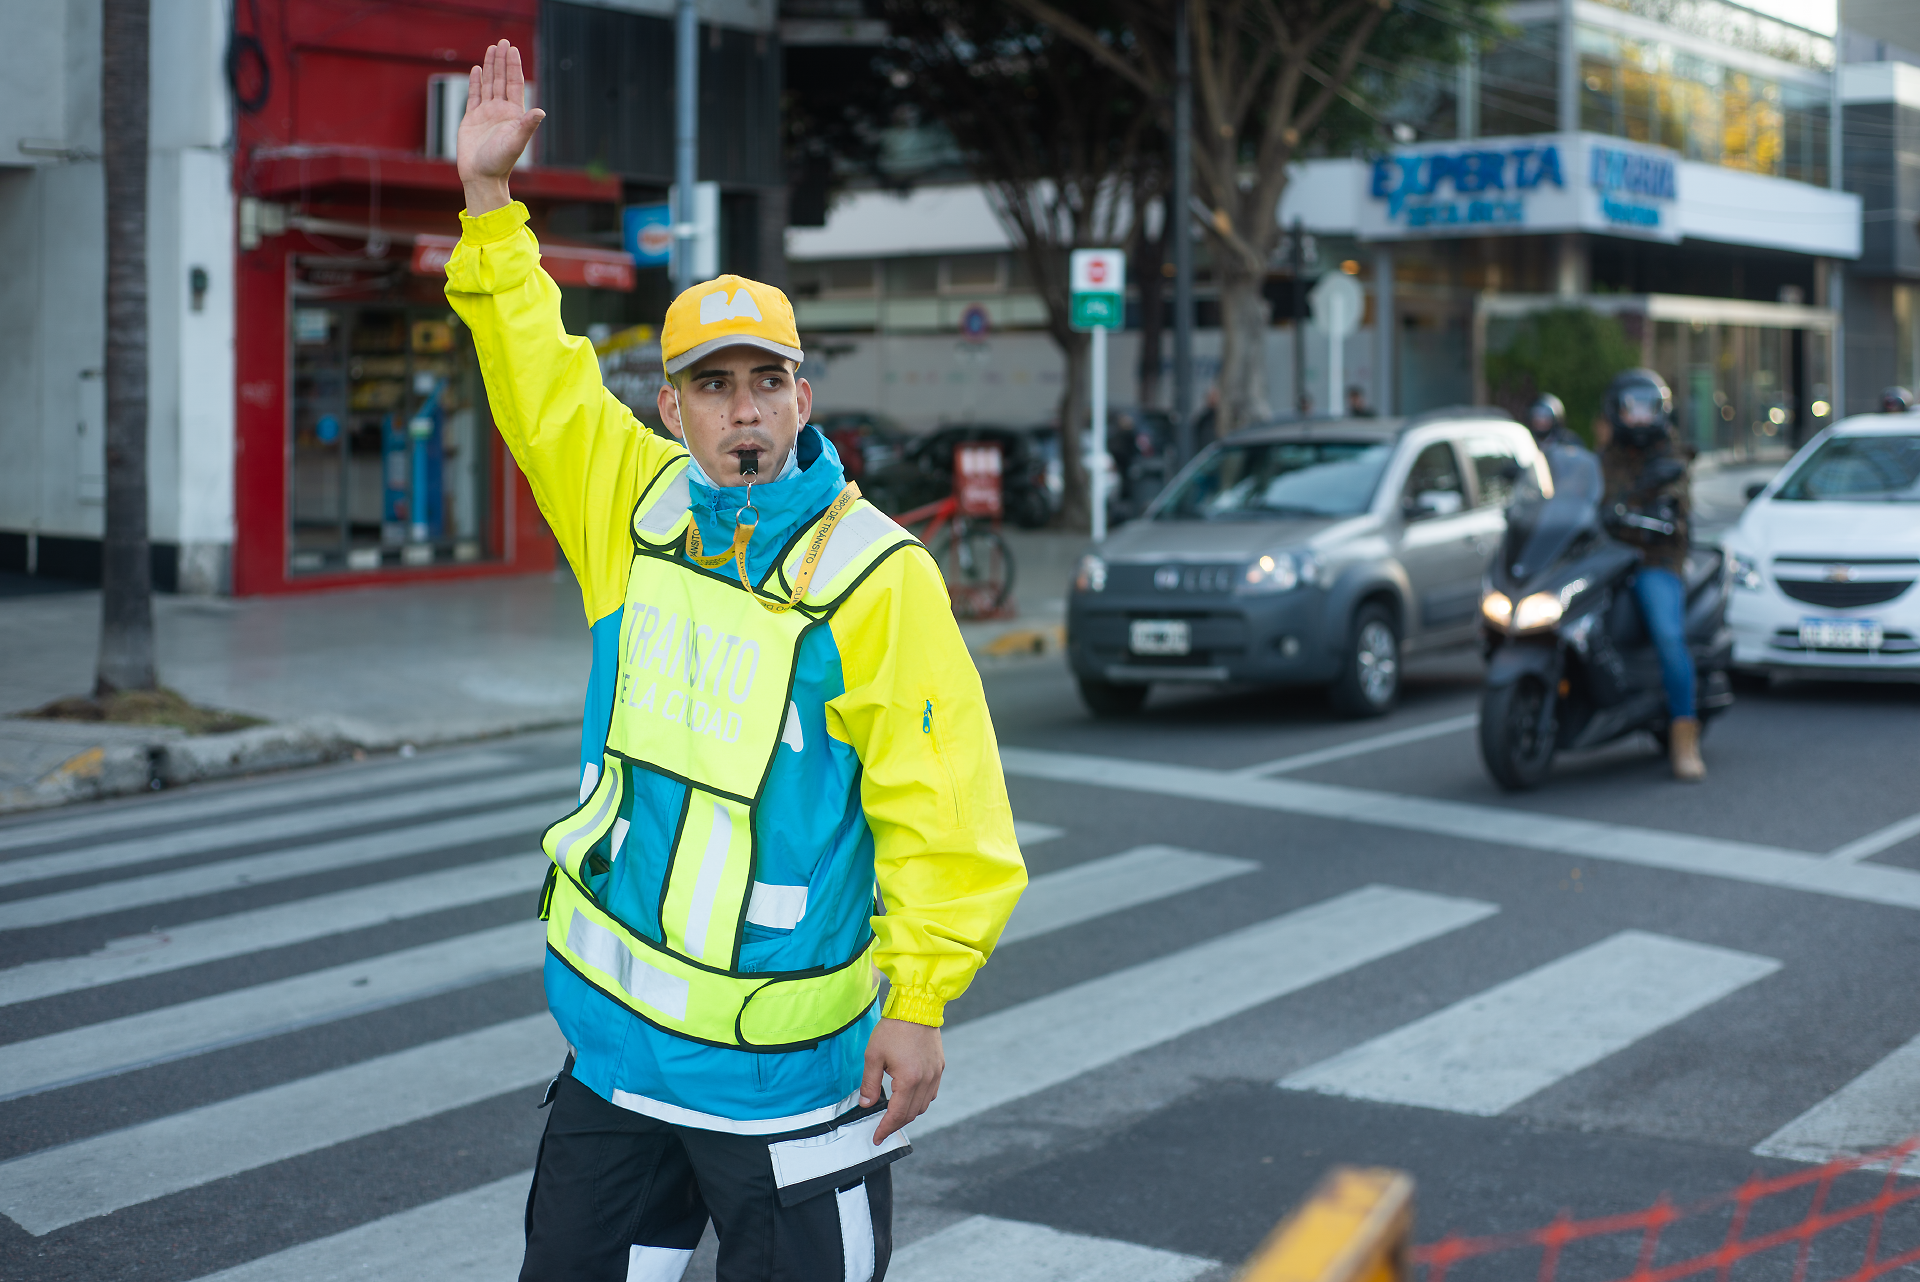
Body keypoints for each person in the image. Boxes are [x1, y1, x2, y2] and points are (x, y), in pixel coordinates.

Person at [446, 41, 1027, 1282]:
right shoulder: (630, 507)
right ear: (673, 409)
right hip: (618, 1063)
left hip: (789, 1085)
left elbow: (944, 806)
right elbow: (538, 380)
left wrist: (920, 999)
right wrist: (490, 207)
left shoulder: (876, 576)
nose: (744, 409)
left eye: (767, 381)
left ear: (804, 399)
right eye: (714, 386)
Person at [1598, 369, 1704, 782]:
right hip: (1605, 559)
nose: (1638, 418)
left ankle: (1684, 737)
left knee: (1666, 634)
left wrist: (1657, 508)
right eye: (1631, 409)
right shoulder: (1604, 458)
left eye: (1647, 409)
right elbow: (1576, 494)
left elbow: (1677, 505)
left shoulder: (1671, 458)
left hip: (1653, 561)